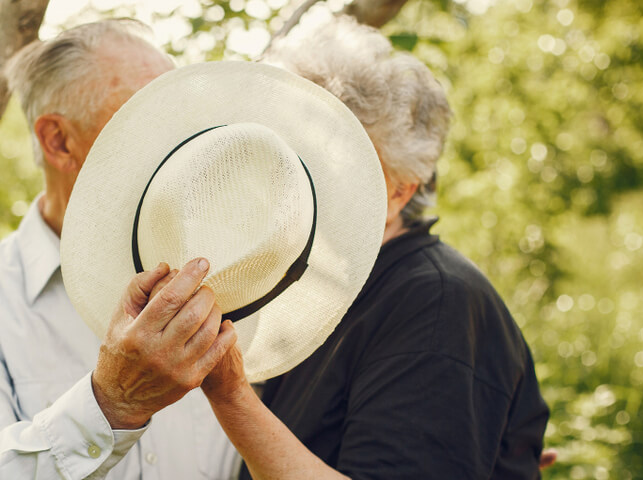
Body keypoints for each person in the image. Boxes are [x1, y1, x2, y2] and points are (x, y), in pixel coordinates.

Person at [197, 17, 551, 479]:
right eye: (291, 150)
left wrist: (230, 393)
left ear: (400, 191)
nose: (296, 178)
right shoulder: (318, 288)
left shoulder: (434, 304)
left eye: (332, 163)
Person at [0, 20, 239, 479]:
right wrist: (110, 405)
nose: (181, 144)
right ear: (59, 141)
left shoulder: (236, 276)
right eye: (148, 119)